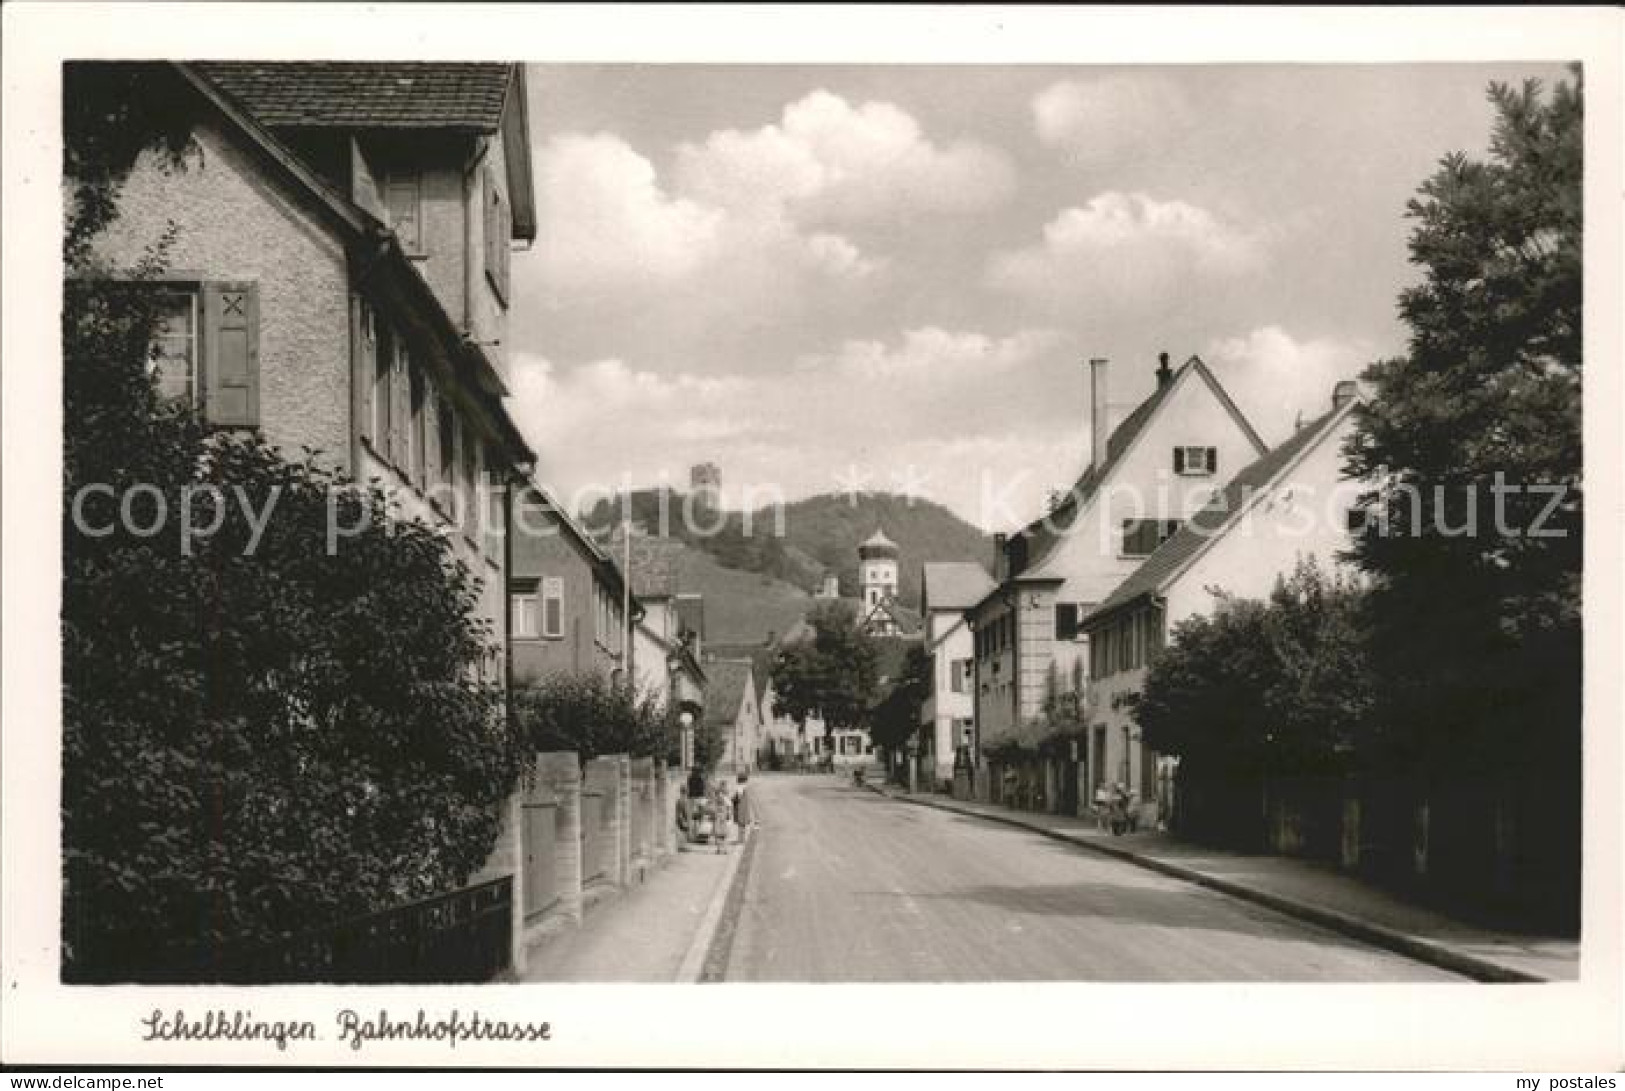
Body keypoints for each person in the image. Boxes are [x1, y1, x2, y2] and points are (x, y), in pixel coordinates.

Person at [735, 771, 758, 838]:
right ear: (745, 780)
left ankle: (740, 838)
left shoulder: (740, 787)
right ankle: (743, 838)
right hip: (745, 807)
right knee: (744, 823)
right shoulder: (746, 787)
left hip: (741, 807)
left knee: (740, 823)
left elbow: (739, 797)